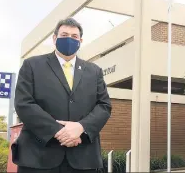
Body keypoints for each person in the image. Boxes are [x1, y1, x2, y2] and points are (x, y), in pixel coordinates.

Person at [12, 18, 112, 173]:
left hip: (84, 159)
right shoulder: (32, 65)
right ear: (54, 38)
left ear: (80, 41)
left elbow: (104, 106)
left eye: (74, 36)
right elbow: (23, 104)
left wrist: (81, 127)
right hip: (38, 158)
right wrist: (59, 131)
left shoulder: (94, 71)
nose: (69, 39)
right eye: (64, 35)